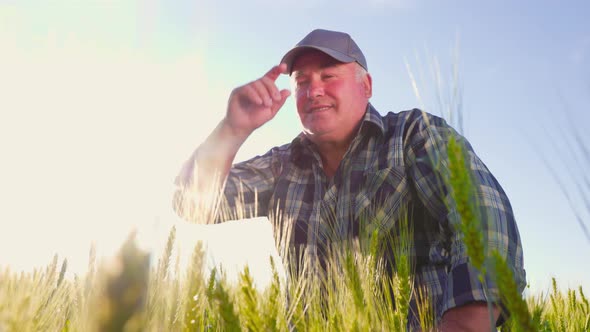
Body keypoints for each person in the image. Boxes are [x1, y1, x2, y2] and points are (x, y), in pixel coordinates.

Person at [173, 29, 526, 330]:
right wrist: (232, 129)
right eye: (302, 83)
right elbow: (192, 203)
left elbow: (484, 217)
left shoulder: (411, 135)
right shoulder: (282, 164)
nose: (314, 91)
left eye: (329, 76)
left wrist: (466, 321)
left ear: (366, 85)